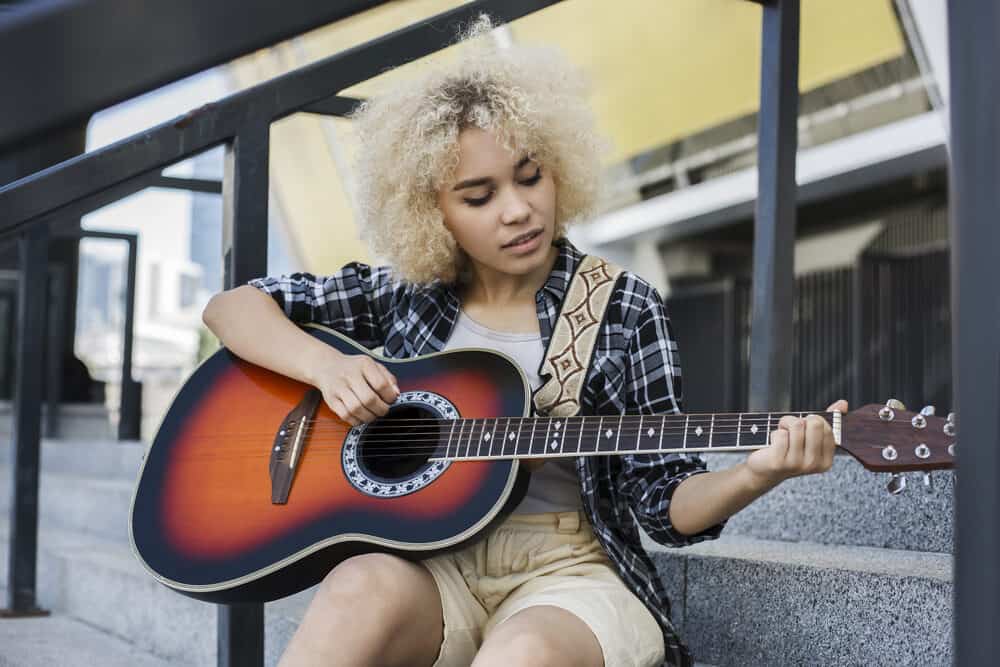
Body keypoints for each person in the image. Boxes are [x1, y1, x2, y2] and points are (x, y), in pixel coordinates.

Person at [202, 16, 846, 667]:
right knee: (354, 589)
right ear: (434, 210)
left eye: (530, 177)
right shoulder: (404, 293)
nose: (517, 209)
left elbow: (665, 503)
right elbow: (232, 308)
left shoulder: (621, 306)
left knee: (526, 653)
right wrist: (325, 367)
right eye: (479, 196)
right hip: (432, 567)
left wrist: (757, 471)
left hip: (566, 575)